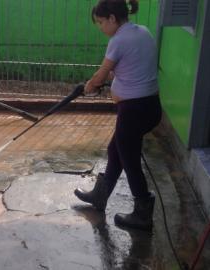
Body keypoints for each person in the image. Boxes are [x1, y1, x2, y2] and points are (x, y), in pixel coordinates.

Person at [74, 0, 162, 231]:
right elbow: (129, 67)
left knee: (130, 160)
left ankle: (143, 214)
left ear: (113, 18)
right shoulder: (142, 32)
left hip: (134, 110)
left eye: (101, 22)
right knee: (117, 150)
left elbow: (102, 74)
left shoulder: (119, 40)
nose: (101, 27)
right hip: (150, 106)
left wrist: (90, 86)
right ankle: (100, 196)